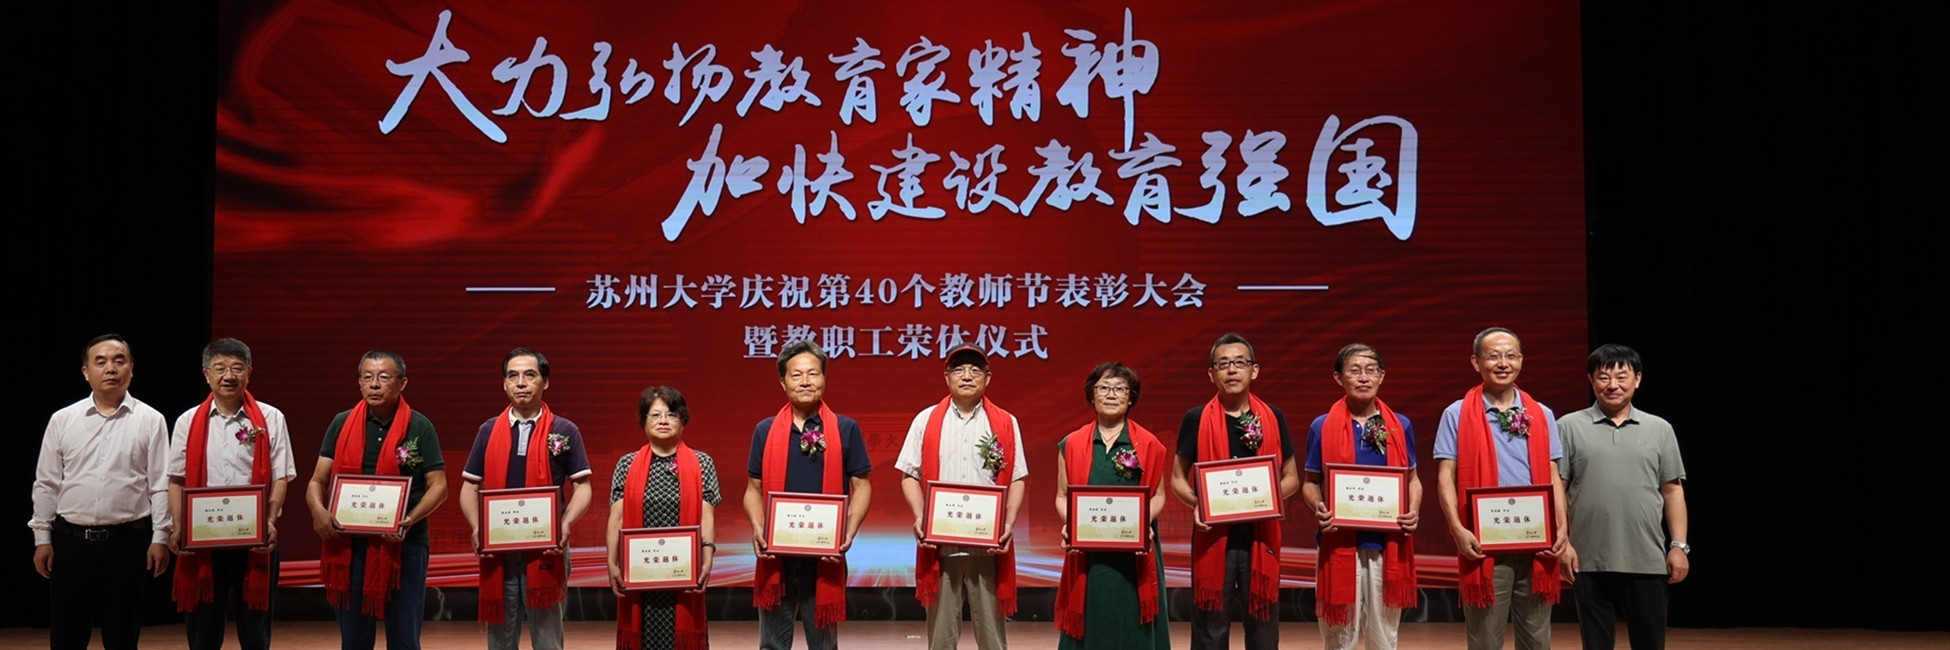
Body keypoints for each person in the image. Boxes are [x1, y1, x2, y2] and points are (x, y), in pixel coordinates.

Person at [1434, 327, 1573, 650]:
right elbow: (1445, 477)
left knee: (1537, 640)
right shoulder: (1457, 413)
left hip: (1537, 542)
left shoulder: (1542, 414)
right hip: (1483, 544)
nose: (1503, 363)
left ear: (1521, 360)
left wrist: (1562, 527)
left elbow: (1553, 475)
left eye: (1511, 356)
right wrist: (1457, 530)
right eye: (1493, 356)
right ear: (1475, 362)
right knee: (1485, 640)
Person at [31, 334, 173, 650]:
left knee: (122, 638)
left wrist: (161, 537)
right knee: (66, 638)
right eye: (101, 361)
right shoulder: (62, 420)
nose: (110, 368)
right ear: (86, 372)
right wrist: (42, 539)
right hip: (71, 543)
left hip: (128, 544)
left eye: (119, 361)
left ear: (131, 369)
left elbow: (160, 484)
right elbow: (47, 483)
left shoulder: (151, 420)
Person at [304, 349, 449, 650]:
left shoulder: (419, 426)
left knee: (404, 639)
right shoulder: (342, 422)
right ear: (359, 382)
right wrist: (318, 510)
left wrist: (409, 521)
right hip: (349, 545)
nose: (374, 384)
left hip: (405, 544)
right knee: (354, 640)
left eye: (383, 377)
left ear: (402, 382)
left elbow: (439, 487)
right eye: (367, 377)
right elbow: (317, 480)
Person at [1168, 333, 1298, 650]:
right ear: (1211, 373)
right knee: (1210, 629)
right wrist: (1198, 505)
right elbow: (1177, 478)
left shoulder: (1272, 417)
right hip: (1213, 537)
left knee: (1263, 629)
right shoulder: (1196, 418)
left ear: (1254, 370)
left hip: (1261, 536)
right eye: (1223, 364)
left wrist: (1265, 502)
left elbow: (1292, 478)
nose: (1231, 370)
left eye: (1240, 362)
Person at [167, 338, 299, 650]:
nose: (229, 376)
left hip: (254, 539)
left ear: (249, 373)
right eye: (220, 368)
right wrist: (178, 526)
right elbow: (176, 479)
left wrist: (269, 521)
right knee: (203, 634)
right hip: (203, 539)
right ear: (206, 374)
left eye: (237, 368)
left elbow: (281, 476)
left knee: (255, 634)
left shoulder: (270, 418)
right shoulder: (188, 421)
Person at [895, 344, 1029, 650]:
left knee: (992, 638)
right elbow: (909, 474)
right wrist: (921, 516)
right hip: (941, 547)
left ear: (987, 377)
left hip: (989, 546)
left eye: (975, 370)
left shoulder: (1006, 422)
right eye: (959, 369)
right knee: (941, 638)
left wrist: (1008, 524)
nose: (967, 376)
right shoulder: (926, 420)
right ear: (947, 377)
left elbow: (1017, 478)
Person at [458, 348, 593, 650]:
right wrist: (478, 527)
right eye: (513, 376)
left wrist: (565, 523)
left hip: (547, 548)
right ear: (504, 384)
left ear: (545, 382)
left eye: (529, 375)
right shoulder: (488, 430)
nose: (521, 382)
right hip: (498, 550)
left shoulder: (564, 430)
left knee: (547, 640)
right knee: (500, 641)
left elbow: (583, 486)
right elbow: (469, 487)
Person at [742, 341, 872, 650]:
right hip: (776, 556)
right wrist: (758, 527)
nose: (805, 381)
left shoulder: (845, 428)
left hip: (825, 555)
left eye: (813, 373)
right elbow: (752, 490)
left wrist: (848, 532)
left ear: (824, 378)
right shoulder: (765, 430)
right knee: (772, 645)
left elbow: (862, 486)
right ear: (782, 382)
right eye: (796, 374)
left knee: (824, 645)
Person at [1558, 345, 1688, 650]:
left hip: (1647, 559)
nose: (1612, 385)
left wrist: (1679, 546)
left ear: (1637, 379)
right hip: (1587, 559)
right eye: (1603, 377)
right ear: (1591, 380)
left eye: (1621, 376)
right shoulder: (1568, 426)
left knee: (1649, 644)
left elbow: (1673, 491)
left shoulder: (1660, 429)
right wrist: (1563, 544)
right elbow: (1557, 488)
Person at [1301, 343, 1423, 650]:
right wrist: (1319, 507)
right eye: (1354, 371)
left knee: (1384, 635)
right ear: (1338, 378)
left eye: (1371, 370)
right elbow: (1310, 483)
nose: (1364, 377)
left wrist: (1414, 510)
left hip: (1388, 543)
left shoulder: (1400, 425)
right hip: (1338, 541)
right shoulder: (1322, 426)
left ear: (1382, 376)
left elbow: (1413, 480)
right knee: (1340, 635)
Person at [1054, 362, 1169, 650]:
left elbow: (1159, 496)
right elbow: (1061, 496)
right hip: (1088, 553)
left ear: (1131, 398)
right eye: (1103, 388)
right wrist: (1071, 525)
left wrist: (1143, 522)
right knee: (1091, 616)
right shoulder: (1071, 443)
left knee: (1132, 622)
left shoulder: (1149, 444)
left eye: (1120, 389)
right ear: (1091, 396)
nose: (1111, 394)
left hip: (1134, 553)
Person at [607, 386, 721, 650]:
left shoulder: (702, 463)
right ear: (644, 421)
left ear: (683, 420)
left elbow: (707, 515)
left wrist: (707, 557)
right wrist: (611, 563)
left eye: (671, 414)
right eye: (655, 415)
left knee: (681, 632)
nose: (663, 421)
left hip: (684, 572)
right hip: (640, 570)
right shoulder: (626, 464)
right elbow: (616, 519)